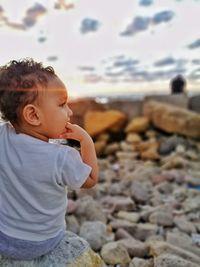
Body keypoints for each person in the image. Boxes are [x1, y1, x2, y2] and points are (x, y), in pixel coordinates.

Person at [0, 59, 103, 266]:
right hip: (43, 242)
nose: (70, 112)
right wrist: (86, 141)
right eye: (62, 104)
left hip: (5, 239)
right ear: (33, 115)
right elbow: (91, 179)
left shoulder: (2, 136)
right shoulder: (61, 157)